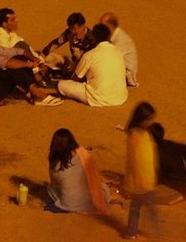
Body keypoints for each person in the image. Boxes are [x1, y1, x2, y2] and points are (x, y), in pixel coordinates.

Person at [0, 23, 58, 105]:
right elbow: (8, 63)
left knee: (19, 58)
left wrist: (36, 60)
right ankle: (38, 95)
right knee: (9, 69)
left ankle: (31, 91)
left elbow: (19, 51)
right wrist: (29, 64)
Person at [56, 23, 127, 107]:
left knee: (61, 85)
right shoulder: (118, 51)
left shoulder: (89, 55)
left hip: (98, 98)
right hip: (120, 97)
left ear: (93, 37)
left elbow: (75, 79)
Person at [46, 128, 110, 213]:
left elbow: (54, 183)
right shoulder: (83, 153)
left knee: (50, 188)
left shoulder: (54, 163)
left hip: (68, 204)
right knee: (103, 187)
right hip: (89, 202)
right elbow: (93, 175)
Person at [123, 102, 161, 239]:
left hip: (146, 177)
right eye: (149, 119)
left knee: (136, 207)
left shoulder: (144, 132)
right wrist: (137, 179)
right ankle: (157, 231)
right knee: (148, 207)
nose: (151, 121)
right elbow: (132, 157)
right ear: (141, 119)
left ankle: (131, 231)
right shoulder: (134, 135)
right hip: (140, 180)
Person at [99, 12, 139, 87]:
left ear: (110, 26)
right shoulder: (112, 35)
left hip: (127, 74)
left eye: (102, 26)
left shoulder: (121, 40)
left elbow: (112, 60)